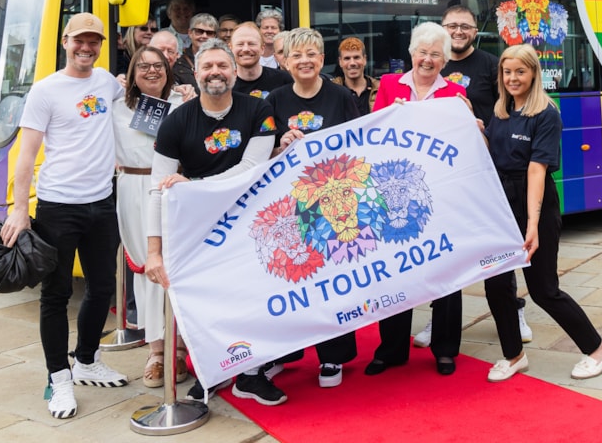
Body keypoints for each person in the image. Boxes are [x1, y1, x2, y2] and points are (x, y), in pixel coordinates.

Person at [0, 13, 128, 419]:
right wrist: (21, 210)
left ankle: (86, 360)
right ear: (65, 41)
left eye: (95, 42)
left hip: (103, 203)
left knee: (102, 287)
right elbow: (27, 155)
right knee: (54, 295)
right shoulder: (46, 90)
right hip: (58, 207)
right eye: (80, 41)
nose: (86, 48)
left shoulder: (108, 82)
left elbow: (134, 115)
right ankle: (59, 379)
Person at [144, 39, 282, 405]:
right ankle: (210, 371)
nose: (215, 72)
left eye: (223, 65)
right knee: (208, 305)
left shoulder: (259, 110)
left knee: (252, 300)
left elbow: (250, 170)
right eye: (208, 67)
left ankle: (250, 375)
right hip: (198, 230)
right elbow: (157, 189)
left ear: (235, 72)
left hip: (250, 224)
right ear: (197, 73)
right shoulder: (176, 122)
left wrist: (195, 185)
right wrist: (153, 251)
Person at [482, 44, 602, 383]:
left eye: (520, 72)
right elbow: (493, 156)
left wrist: (533, 225)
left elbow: (536, 171)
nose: (513, 78)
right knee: (496, 286)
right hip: (501, 204)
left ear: (534, 74)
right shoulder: (500, 111)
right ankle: (514, 356)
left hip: (534, 202)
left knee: (543, 289)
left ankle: (598, 351)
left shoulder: (546, 113)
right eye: (507, 72)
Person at [364, 22, 467, 377]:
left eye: (435, 54)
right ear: (411, 53)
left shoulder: (454, 93)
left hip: (439, 195)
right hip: (393, 192)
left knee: (446, 271)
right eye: (422, 52)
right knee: (395, 271)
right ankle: (391, 349)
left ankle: (445, 348)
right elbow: (373, 133)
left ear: (445, 59)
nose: (427, 60)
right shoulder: (390, 85)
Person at [430, 4, 532, 348]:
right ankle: (440, 319)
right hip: (446, 172)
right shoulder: (433, 62)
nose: (458, 31)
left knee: (499, 240)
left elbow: (507, 110)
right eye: (451, 26)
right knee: (445, 246)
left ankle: (514, 307)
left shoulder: (491, 65)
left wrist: (482, 128)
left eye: (465, 26)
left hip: (489, 168)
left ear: (476, 31)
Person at [265, 28, 361, 388]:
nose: (304, 60)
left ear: (322, 60)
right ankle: (285, 354)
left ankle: (333, 357)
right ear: (285, 61)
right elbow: (264, 154)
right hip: (290, 205)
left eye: (312, 54)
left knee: (331, 281)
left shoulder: (340, 96)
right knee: (292, 278)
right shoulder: (273, 99)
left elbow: (358, 145)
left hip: (332, 203)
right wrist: (280, 146)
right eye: (297, 55)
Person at [113, 45, 191, 388]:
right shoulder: (116, 105)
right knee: (146, 268)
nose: (151, 71)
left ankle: (179, 348)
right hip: (133, 187)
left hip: (172, 187)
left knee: (175, 267)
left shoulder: (183, 103)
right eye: (143, 66)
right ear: (132, 72)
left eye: (158, 65)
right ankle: (156, 350)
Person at [230, 22, 293, 98]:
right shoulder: (225, 85)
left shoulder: (284, 80)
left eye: (251, 44)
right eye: (240, 44)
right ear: (231, 48)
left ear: (262, 48)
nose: (246, 49)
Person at [332, 36, 379, 115]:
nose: (352, 63)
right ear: (340, 62)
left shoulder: (381, 90)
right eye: (347, 58)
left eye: (356, 57)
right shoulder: (331, 92)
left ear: (364, 59)